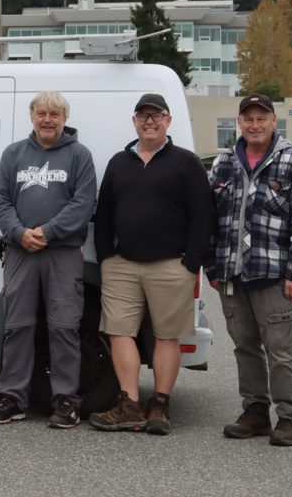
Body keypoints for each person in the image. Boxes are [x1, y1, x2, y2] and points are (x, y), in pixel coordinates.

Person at [89, 93, 211, 435]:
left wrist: (191, 263)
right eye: (143, 116)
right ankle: (129, 405)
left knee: (167, 336)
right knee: (119, 333)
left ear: (168, 121)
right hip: (122, 265)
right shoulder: (118, 162)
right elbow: (105, 215)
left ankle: (160, 405)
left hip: (172, 266)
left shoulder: (187, 163)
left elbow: (202, 216)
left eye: (156, 115)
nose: (150, 121)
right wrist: (105, 258)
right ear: (134, 121)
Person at [205, 93, 292, 447]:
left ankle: (289, 418)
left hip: (273, 275)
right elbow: (210, 219)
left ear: (273, 121)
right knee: (245, 347)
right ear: (239, 123)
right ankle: (256, 411)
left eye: (262, 118)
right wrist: (212, 266)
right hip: (231, 274)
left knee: (279, 350)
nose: (255, 125)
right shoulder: (223, 163)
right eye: (248, 119)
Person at [0, 91, 96, 428]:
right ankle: (13, 397)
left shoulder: (79, 155)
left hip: (61, 252)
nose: (47, 120)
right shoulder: (14, 153)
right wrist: (19, 234)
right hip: (20, 252)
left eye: (54, 114)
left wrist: (47, 232)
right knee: (18, 326)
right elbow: (0, 198)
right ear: (32, 116)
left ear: (64, 118)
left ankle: (66, 400)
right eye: (41, 113)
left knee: (64, 327)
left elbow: (84, 203)